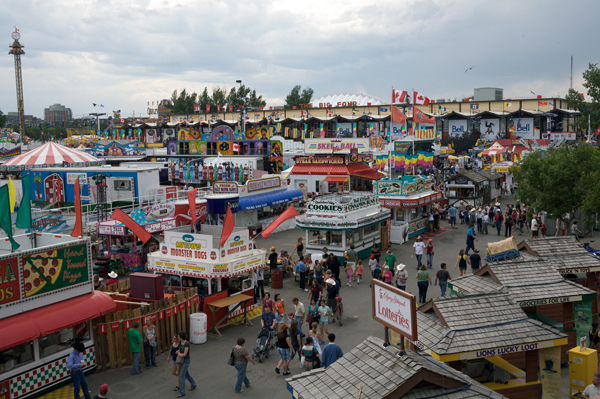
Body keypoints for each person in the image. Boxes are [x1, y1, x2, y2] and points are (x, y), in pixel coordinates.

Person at [175, 332, 197, 397]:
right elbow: (179, 350)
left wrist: (178, 354)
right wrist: (178, 351)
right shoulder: (180, 343)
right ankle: (193, 384)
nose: (177, 338)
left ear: (181, 337)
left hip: (186, 361)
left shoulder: (186, 344)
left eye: (178, 336)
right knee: (186, 374)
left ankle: (182, 392)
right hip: (182, 361)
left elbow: (184, 354)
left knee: (182, 376)